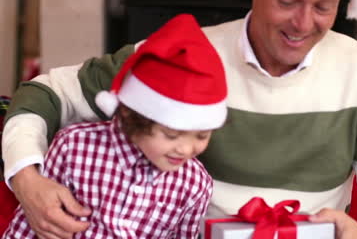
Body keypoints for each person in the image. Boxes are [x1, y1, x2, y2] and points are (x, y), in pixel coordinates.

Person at [2, 0, 357, 238]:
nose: (302, 24)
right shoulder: (180, 53)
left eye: (322, 7)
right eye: (288, 0)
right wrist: (26, 177)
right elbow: (46, 93)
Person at [2, 14, 227, 238]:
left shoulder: (194, 183)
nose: (186, 149)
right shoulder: (73, 149)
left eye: (201, 136)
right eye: (171, 134)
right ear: (131, 115)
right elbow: (27, 228)